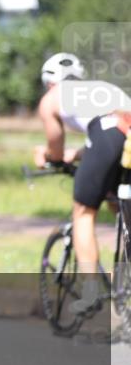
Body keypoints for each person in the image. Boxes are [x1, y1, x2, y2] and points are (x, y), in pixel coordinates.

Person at [34, 53, 128, 312]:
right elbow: (110, 136)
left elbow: (54, 145)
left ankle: (90, 292)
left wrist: (49, 157)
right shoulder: (99, 89)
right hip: (123, 136)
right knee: (119, 206)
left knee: (83, 214)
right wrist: (75, 155)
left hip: (109, 134)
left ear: (50, 82)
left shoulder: (52, 98)